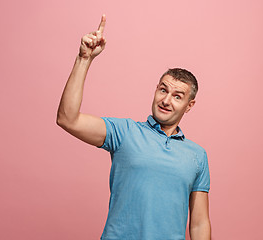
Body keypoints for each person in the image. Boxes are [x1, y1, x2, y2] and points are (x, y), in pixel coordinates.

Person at [56, 14, 211, 240]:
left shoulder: (197, 156)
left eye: (178, 96)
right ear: (156, 89)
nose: (166, 100)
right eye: (163, 90)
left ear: (189, 105)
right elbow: (68, 119)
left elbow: (199, 223)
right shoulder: (124, 133)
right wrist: (84, 59)